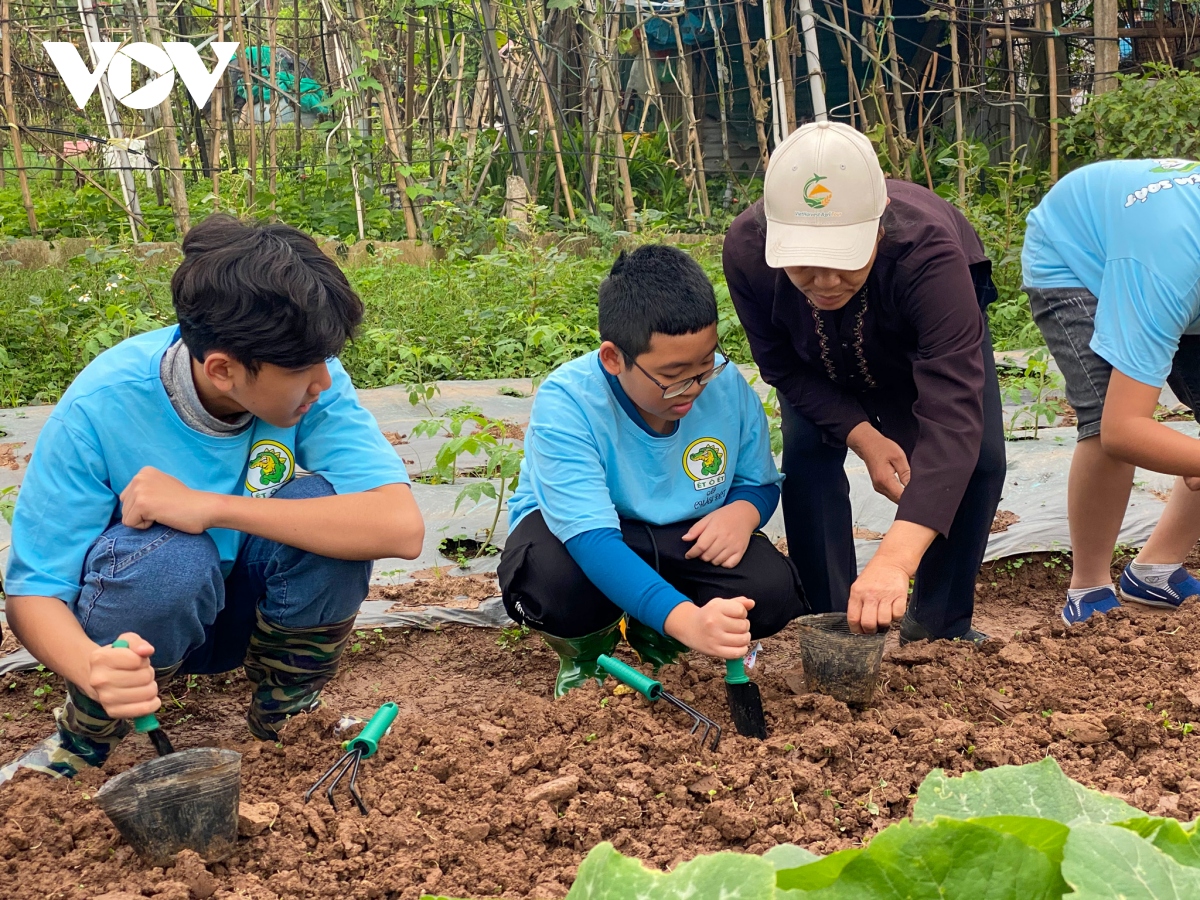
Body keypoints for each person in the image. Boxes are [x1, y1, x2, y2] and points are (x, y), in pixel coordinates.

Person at [1, 214, 423, 783]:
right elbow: (34, 594)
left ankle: (286, 716)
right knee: (171, 558)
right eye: (303, 370)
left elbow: (398, 526)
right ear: (223, 370)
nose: (323, 382)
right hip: (142, 635)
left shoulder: (312, 382)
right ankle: (86, 737)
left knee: (327, 509)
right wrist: (93, 668)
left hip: (251, 606)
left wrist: (211, 506)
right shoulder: (103, 407)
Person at [724, 121, 1005, 641]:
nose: (825, 282)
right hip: (813, 359)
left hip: (914, 338)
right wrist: (863, 434)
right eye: (804, 264)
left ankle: (938, 630)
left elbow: (952, 409)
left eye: (843, 261)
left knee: (979, 461)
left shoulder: (930, 256)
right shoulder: (747, 251)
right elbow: (782, 366)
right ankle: (833, 623)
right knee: (809, 458)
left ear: (877, 230)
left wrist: (895, 560)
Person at [499, 244, 806, 696]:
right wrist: (690, 622)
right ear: (613, 358)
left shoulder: (725, 388)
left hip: (681, 532)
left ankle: (650, 626)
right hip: (581, 537)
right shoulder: (568, 402)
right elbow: (592, 538)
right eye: (675, 375)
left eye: (706, 365)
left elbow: (757, 482)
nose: (695, 387)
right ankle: (587, 653)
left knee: (771, 591)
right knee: (552, 582)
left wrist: (743, 513)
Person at [1022, 158, 1200, 625]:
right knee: (1104, 415)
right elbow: (1125, 429)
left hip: (1153, 247)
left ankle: (1155, 570)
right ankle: (1089, 586)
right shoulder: (1167, 271)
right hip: (1077, 257)